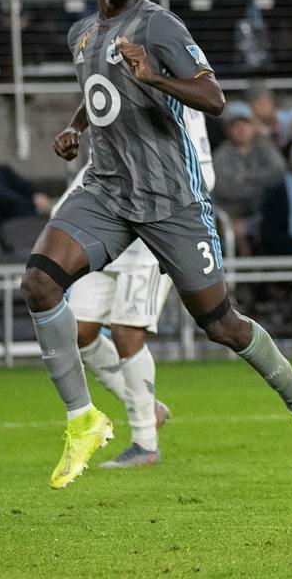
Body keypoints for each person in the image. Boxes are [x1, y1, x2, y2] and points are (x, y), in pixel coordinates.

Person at [21, 0, 292, 488]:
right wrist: (72, 126)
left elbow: (214, 97)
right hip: (107, 191)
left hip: (170, 201)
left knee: (222, 325)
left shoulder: (159, 26)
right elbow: (99, 92)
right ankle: (83, 419)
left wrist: (154, 76)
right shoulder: (82, 34)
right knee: (40, 283)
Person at [60, 107, 209, 470]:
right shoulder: (110, 78)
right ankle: (149, 407)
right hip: (108, 215)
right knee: (78, 330)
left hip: (156, 221)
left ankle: (145, 442)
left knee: (128, 332)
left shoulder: (171, 88)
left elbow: (199, 168)